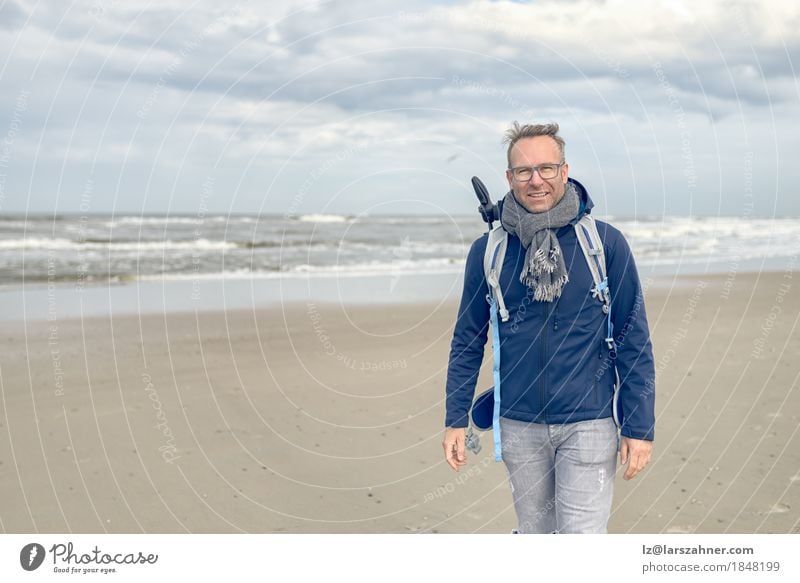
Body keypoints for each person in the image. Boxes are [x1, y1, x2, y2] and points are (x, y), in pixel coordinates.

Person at [442, 122, 655, 534]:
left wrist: (639, 426)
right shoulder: (488, 252)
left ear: (564, 170)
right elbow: (468, 339)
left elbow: (633, 338)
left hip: (590, 420)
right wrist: (455, 418)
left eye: (546, 168)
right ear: (509, 178)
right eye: (523, 171)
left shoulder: (605, 245)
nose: (535, 180)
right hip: (518, 423)